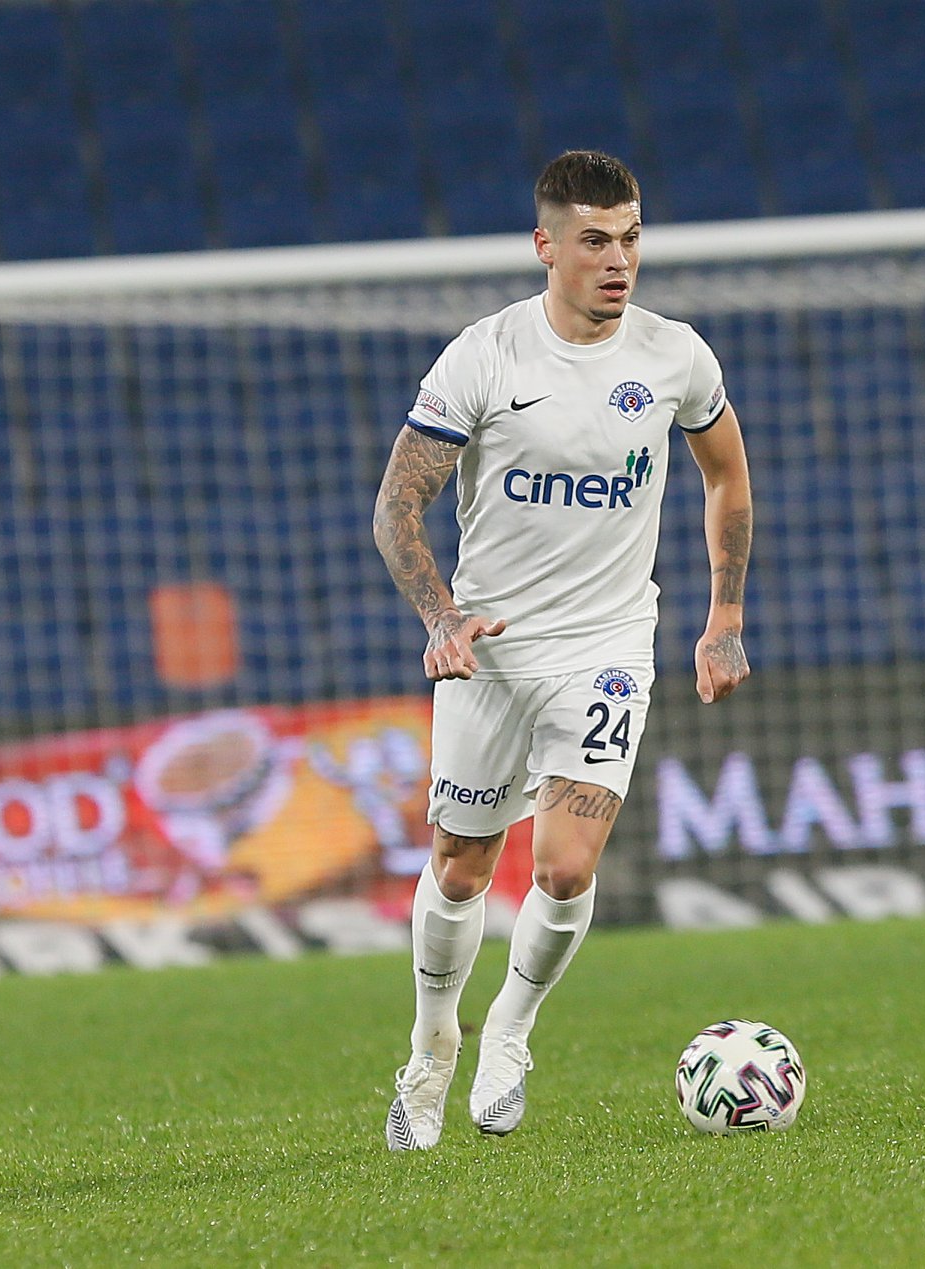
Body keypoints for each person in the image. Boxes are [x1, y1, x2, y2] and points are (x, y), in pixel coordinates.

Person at [371, 150, 753, 1150]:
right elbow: (397, 505)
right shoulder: (485, 357)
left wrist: (723, 615)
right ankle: (431, 1045)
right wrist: (441, 619)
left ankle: (510, 1030)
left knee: (567, 868)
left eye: (629, 238)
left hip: (608, 645)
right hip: (493, 651)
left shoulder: (674, 357)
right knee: (461, 869)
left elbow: (725, 475)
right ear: (546, 246)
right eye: (594, 241)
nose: (617, 260)